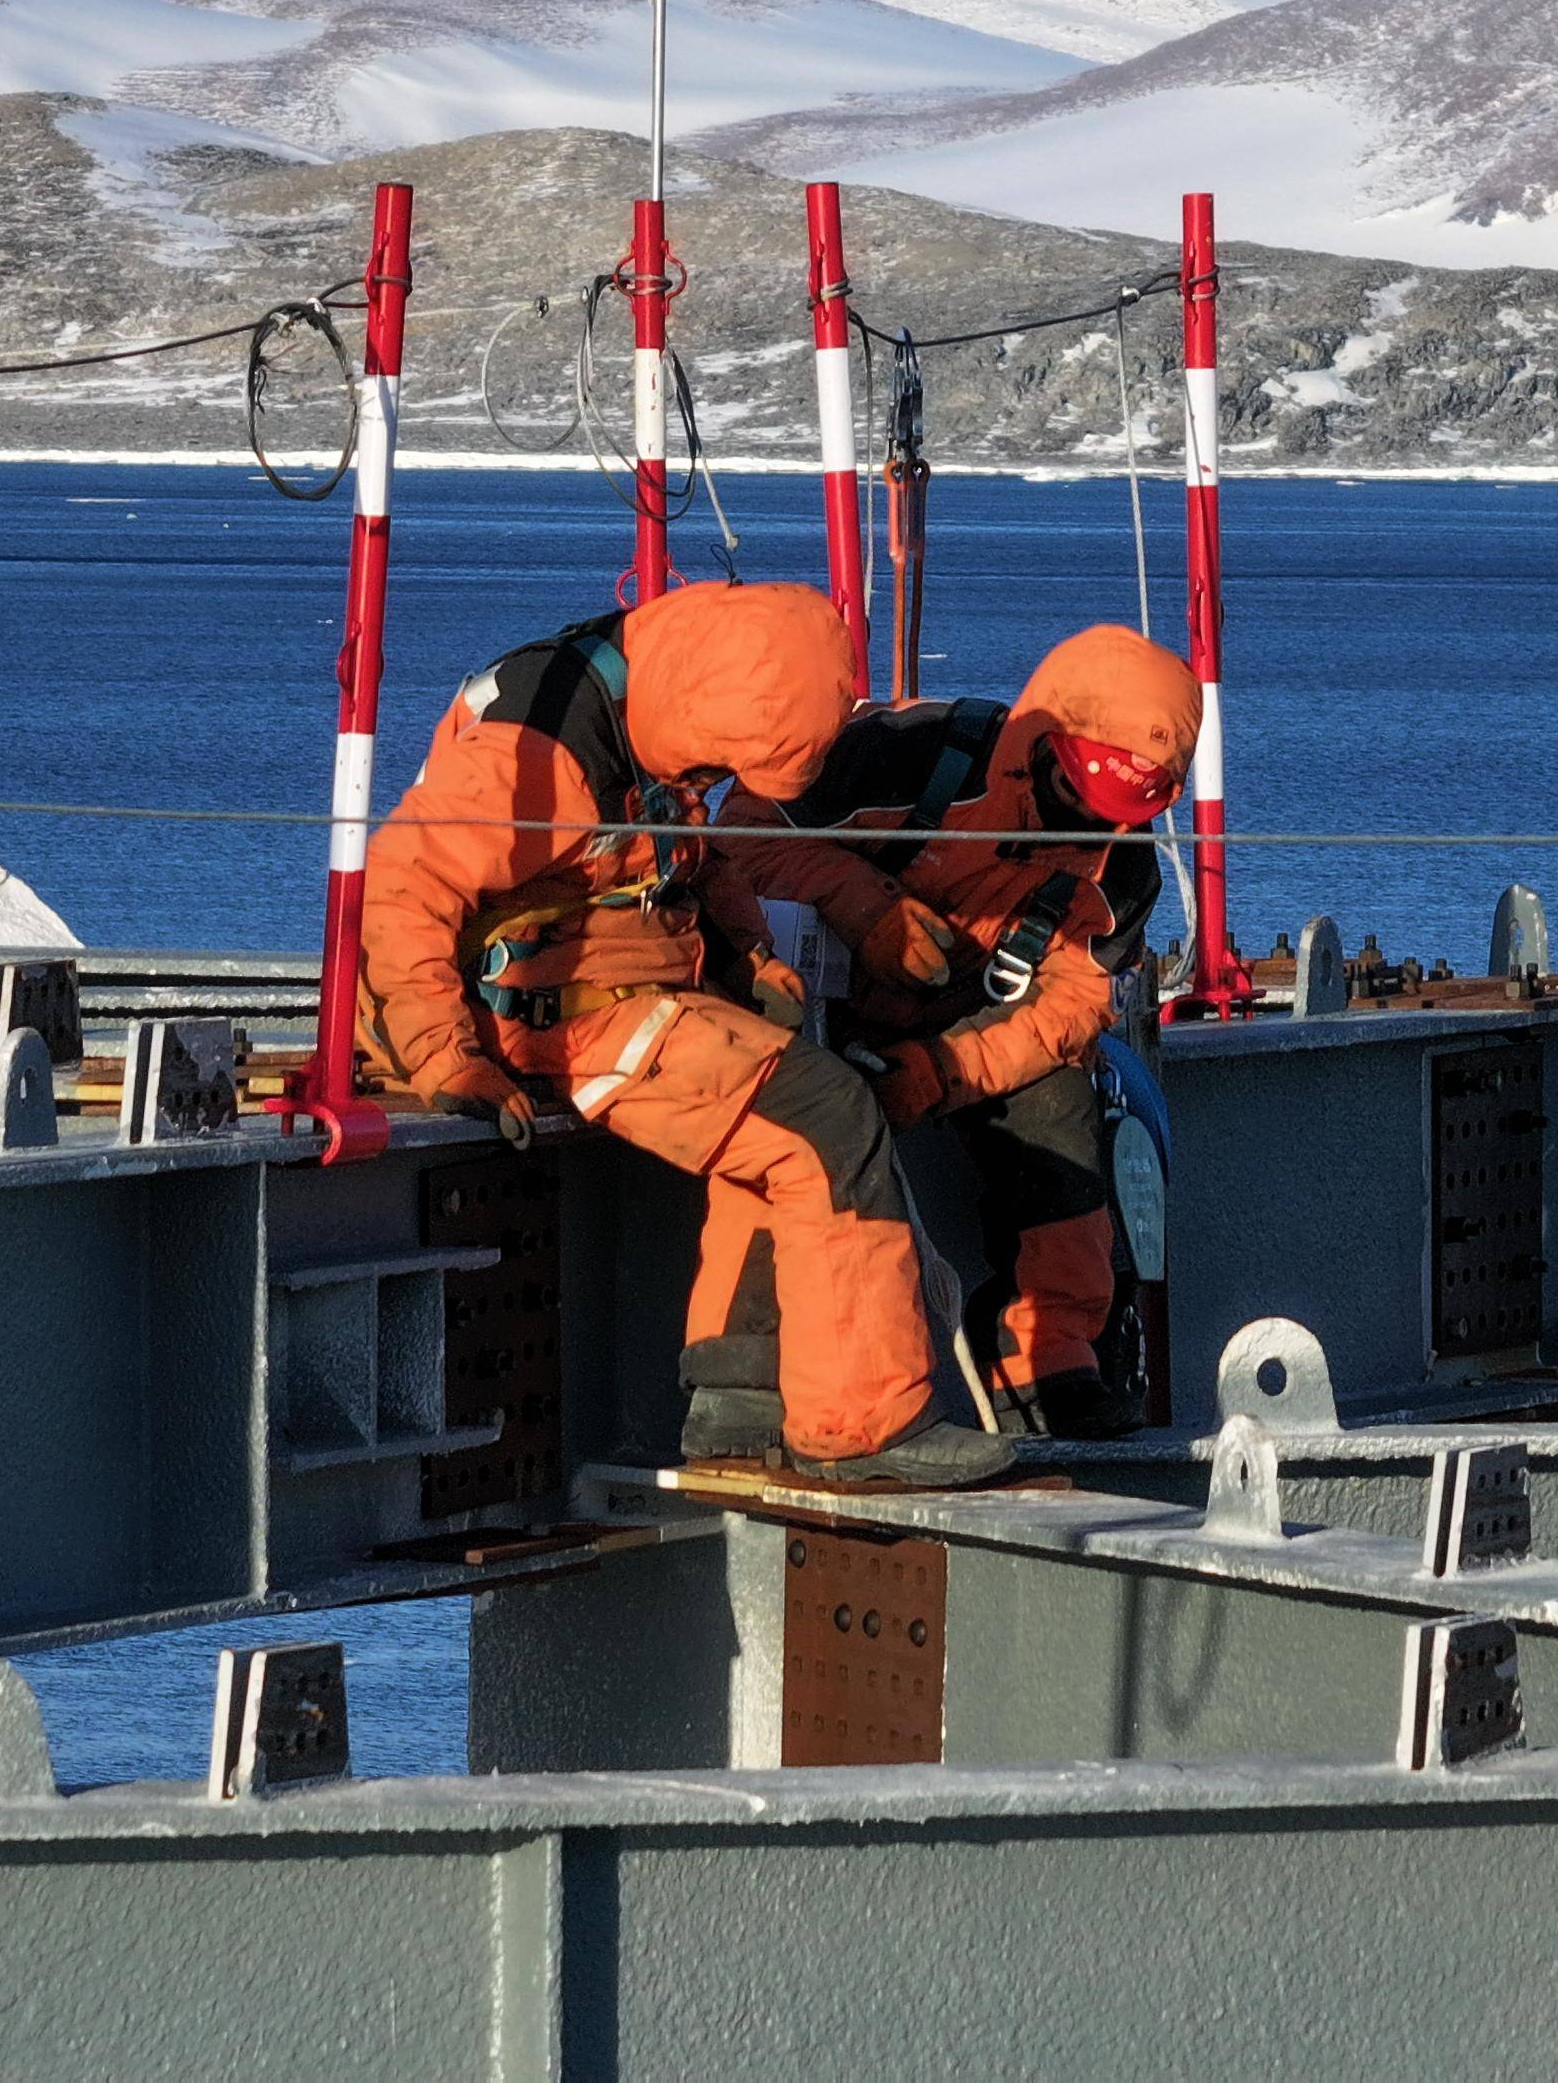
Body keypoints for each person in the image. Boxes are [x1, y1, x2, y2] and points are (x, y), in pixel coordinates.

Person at [356, 578, 1012, 1490]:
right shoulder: (534, 754)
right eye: (715, 770)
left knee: (778, 1128)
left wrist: (748, 960)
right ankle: (864, 1427)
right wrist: (445, 1059)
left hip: (618, 987)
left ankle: (740, 1402)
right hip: (558, 1021)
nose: (712, 785)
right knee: (827, 1119)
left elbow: (684, 854)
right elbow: (399, 888)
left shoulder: (644, 693)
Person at [722, 623, 1198, 1441]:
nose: (1095, 824)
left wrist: (942, 1070)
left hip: (958, 1028)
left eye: (1124, 811)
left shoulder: (1124, 869)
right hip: (814, 1002)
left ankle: (1044, 1357)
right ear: (1046, 738)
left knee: (1057, 1102)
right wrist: (866, 909)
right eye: (1081, 795)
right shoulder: (903, 752)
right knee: (793, 1116)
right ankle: (766, 1370)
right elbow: (734, 837)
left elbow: (1073, 1006)